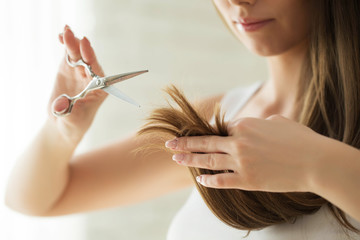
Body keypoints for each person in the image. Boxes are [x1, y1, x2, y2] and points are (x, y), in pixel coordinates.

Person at [5, 0, 360, 239]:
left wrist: (316, 164)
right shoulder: (219, 119)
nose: (239, 2)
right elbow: (34, 200)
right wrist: (63, 131)